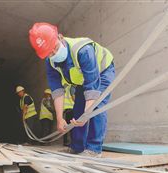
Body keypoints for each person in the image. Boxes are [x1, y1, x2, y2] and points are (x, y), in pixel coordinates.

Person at [29, 22, 115, 157]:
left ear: (60, 37)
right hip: (82, 80)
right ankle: (77, 147)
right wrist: (59, 118)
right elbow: (57, 91)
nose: (54, 53)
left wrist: (87, 114)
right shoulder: (50, 62)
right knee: (78, 110)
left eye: (55, 47)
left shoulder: (83, 50)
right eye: (49, 53)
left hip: (103, 71)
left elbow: (92, 87)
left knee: (96, 107)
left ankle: (94, 148)